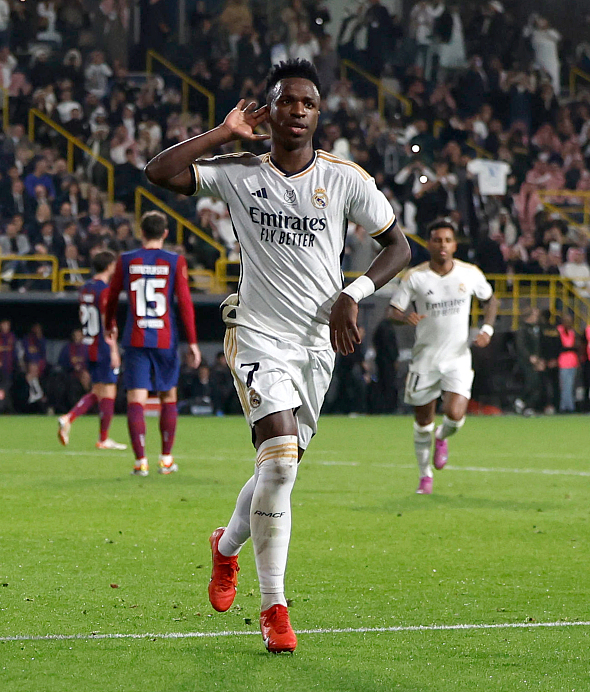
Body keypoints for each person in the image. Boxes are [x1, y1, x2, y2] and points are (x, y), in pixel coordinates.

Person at [143, 58, 410, 653]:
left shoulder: (346, 179)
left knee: (275, 474)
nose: (296, 111)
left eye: (307, 103)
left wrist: (354, 292)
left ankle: (225, 547)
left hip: (318, 344)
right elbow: (158, 171)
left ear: (318, 115)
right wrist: (221, 134)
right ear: (269, 110)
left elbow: (398, 246)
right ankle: (275, 610)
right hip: (258, 334)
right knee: (282, 466)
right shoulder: (240, 172)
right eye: (286, 101)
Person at [386, 219, 498, 494]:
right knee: (423, 421)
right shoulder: (416, 276)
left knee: (455, 414)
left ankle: (443, 436)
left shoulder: (469, 273)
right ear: (429, 243)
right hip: (425, 359)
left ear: (455, 244)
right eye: (437, 240)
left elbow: (491, 300)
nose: (443, 245)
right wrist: (405, 317)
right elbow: (392, 312)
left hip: (458, 357)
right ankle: (425, 476)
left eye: (448, 240)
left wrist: (487, 329)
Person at [101, 211, 200, 475]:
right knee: (169, 394)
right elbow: (185, 303)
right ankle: (166, 459)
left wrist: (109, 323)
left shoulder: (126, 260)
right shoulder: (174, 261)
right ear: (165, 233)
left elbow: (111, 297)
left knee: (136, 397)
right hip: (165, 337)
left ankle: (140, 462)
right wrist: (192, 341)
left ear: (141, 233)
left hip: (136, 336)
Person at [57, 250, 128, 451]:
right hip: (103, 346)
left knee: (98, 391)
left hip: (88, 345)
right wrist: (114, 350)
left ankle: (71, 420)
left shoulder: (85, 289)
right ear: (108, 267)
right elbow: (108, 320)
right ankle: (100, 437)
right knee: (108, 392)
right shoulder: (105, 290)